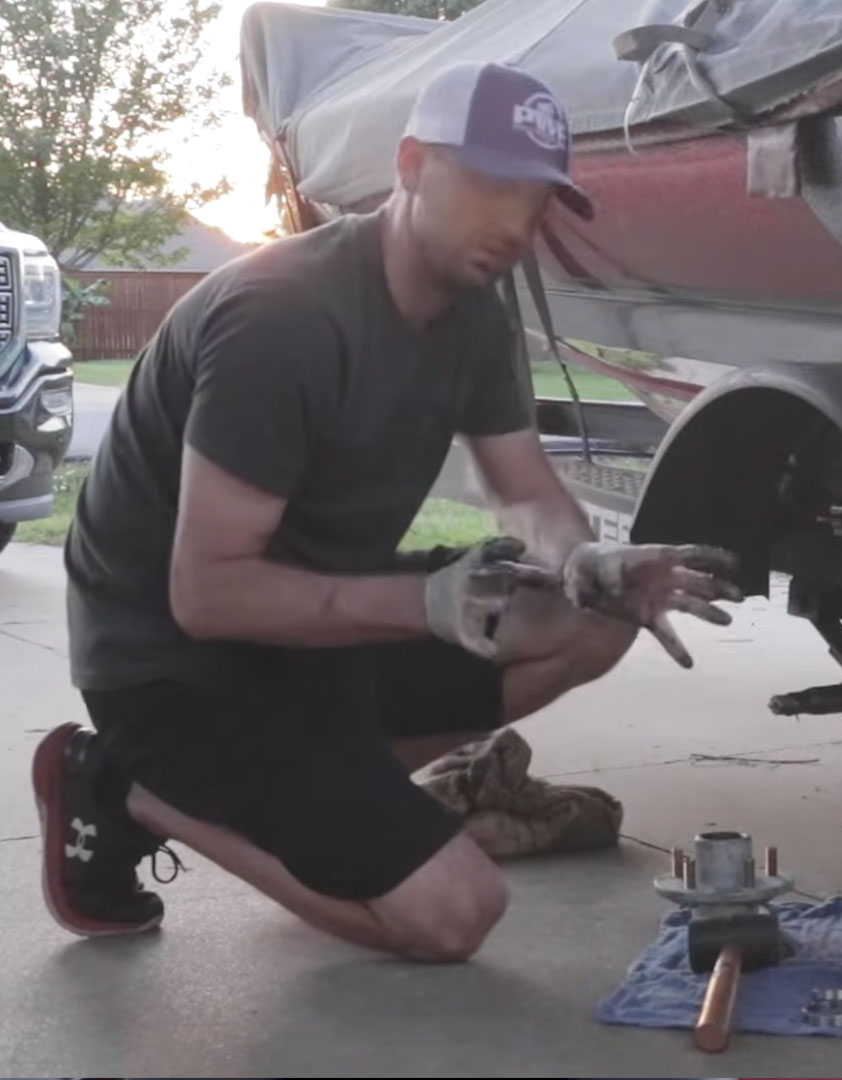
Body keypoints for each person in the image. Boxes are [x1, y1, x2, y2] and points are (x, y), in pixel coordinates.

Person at [30, 60, 741, 962]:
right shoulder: (282, 318)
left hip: (317, 629)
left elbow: (525, 490)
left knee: (592, 618)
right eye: (491, 186)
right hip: (175, 666)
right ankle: (128, 788)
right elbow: (208, 596)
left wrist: (585, 560)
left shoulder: (476, 317)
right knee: (454, 916)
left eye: (537, 201)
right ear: (410, 165)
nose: (515, 224)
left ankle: (334, 800)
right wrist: (427, 604)